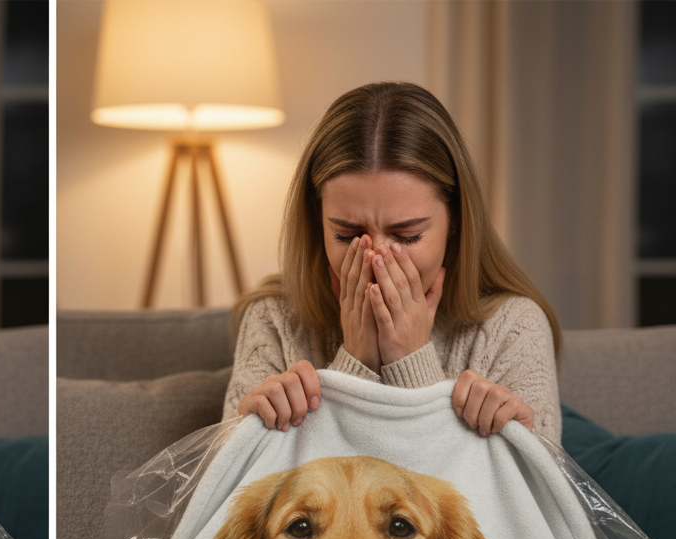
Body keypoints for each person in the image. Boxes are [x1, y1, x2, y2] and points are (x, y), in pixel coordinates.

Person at [225, 81, 562, 445]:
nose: (376, 259)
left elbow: (524, 499)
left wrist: (411, 363)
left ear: (456, 222)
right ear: (316, 222)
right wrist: (354, 365)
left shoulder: (514, 326)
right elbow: (233, 495)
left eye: (407, 236)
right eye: (347, 234)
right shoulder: (272, 320)